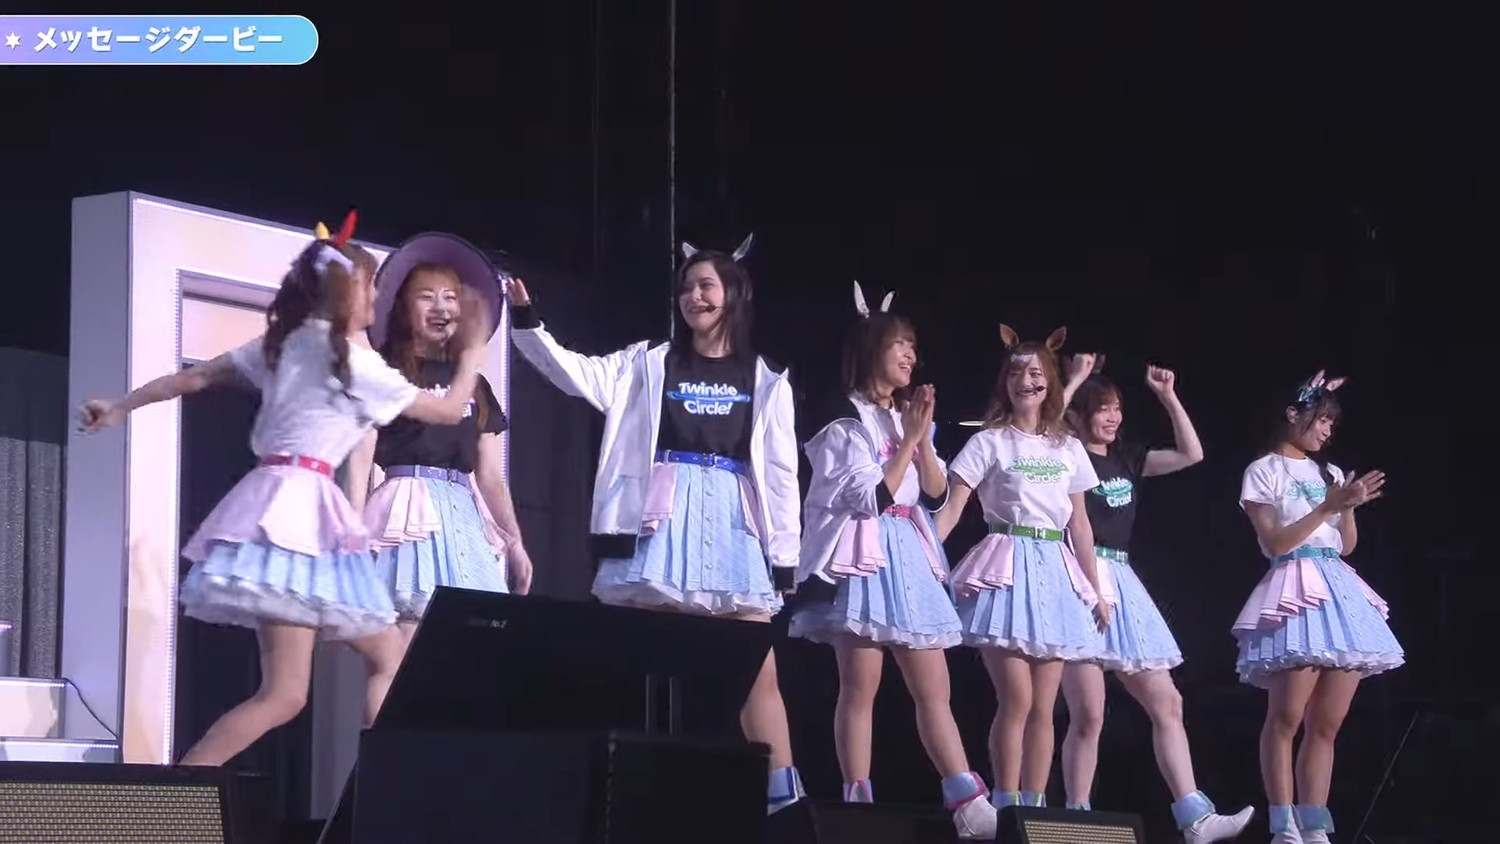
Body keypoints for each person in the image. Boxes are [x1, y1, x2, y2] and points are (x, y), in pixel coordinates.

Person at [76, 212, 490, 766]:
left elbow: (191, 379)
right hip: (297, 518)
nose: (377, 297)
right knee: (288, 694)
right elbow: (445, 410)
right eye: (371, 285)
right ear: (348, 290)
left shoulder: (283, 345)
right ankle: (182, 786)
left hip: (281, 506)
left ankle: (372, 783)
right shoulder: (353, 362)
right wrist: (472, 351)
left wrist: (121, 405)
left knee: (374, 659)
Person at [506, 235, 807, 813]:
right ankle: (625, 788)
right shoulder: (649, 363)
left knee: (756, 668)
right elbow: (578, 374)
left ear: (734, 294)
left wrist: (784, 558)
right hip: (663, 521)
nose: (694, 297)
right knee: (641, 661)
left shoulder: (766, 377)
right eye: (686, 288)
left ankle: (783, 799)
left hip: (733, 524)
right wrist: (528, 323)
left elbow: (780, 474)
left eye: (706, 286)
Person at [790, 282, 996, 839]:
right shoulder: (841, 418)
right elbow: (870, 496)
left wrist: (921, 438)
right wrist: (907, 439)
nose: (909, 355)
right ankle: (857, 801)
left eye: (912, 346)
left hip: (908, 550)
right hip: (863, 552)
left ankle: (967, 801)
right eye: (899, 344)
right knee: (860, 686)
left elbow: (935, 493)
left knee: (935, 687)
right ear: (870, 350)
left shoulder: (905, 415)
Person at [1054, 356, 1253, 842]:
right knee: (1090, 713)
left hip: (1122, 580)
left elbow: (1191, 453)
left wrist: (1168, 396)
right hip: (1076, 576)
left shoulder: (1128, 457)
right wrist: (1073, 381)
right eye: (1101, 409)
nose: (1112, 417)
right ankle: (1076, 817)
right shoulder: (1065, 455)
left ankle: (1195, 817)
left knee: (1167, 700)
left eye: (1116, 408)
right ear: (1077, 416)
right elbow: (1044, 434)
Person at [933, 323, 1110, 811]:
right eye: (1015, 374)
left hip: (1054, 571)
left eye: (1034, 373)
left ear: (1050, 381)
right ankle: (1006, 805)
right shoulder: (990, 441)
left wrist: (1095, 590)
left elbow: (1080, 526)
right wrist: (920, 555)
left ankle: (1033, 807)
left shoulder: (1067, 446)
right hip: (1005, 567)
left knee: (1045, 705)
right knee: (1016, 698)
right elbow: (952, 507)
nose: (1025, 382)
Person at [1235, 370, 1402, 844]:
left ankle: (1314, 826)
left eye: (1331, 423)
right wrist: (1327, 507)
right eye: (1322, 420)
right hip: (1295, 586)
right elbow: (1276, 542)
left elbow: (1346, 546)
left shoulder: (1329, 474)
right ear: (1293, 415)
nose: (1327, 430)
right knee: (1286, 716)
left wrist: (1346, 506)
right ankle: (1282, 824)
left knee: (1327, 723)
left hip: (1338, 590)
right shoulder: (1263, 470)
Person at [346, 232, 533, 649]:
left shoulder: (474, 385)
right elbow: (361, 458)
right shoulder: (386, 374)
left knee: (471, 643)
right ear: (403, 307)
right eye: (427, 297)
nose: (441, 307)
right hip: (406, 509)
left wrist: (515, 540)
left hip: (462, 513)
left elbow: (490, 474)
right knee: (408, 640)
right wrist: (353, 530)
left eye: (450, 298)